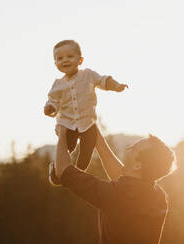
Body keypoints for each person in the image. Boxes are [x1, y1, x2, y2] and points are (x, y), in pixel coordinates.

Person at [54, 125, 176, 244]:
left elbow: (63, 170)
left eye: (134, 148)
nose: (129, 147)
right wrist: (90, 127)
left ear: (137, 166)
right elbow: (124, 179)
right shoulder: (158, 196)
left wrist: (62, 133)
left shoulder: (117, 195)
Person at [44, 40, 128, 173]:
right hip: (67, 124)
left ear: (80, 60)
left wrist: (116, 86)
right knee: (66, 148)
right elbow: (53, 101)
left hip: (88, 123)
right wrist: (50, 108)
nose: (65, 60)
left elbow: (103, 80)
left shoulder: (88, 75)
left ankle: (78, 172)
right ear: (55, 64)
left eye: (70, 56)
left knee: (86, 151)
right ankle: (56, 169)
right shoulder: (58, 84)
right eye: (60, 58)